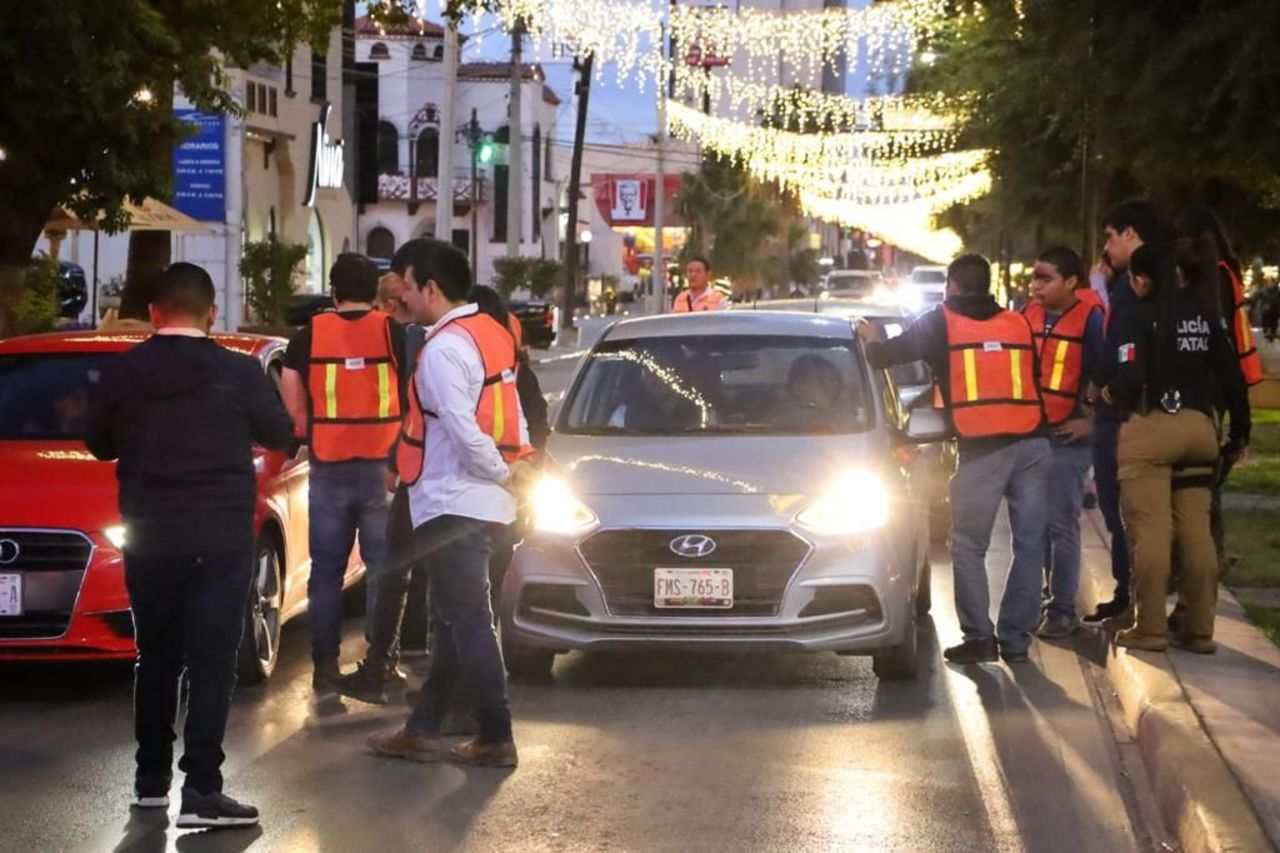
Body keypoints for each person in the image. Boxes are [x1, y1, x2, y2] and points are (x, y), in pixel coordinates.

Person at [84, 263, 294, 829]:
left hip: (151, 535)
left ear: (154, 313)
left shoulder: (126, 371)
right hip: (221, 537)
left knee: (155, 656)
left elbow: (97, 443)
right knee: (212, 661)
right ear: (212, 314)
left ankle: (150, 780)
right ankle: (202, 786)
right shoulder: (240, 372)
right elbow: (281, 433)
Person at [367, 239, 536, 768]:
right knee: (454, 615)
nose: (402, 299)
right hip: (483, 506)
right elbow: (511, 412)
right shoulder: (490, 333)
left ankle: (495, 732)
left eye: (408, 287)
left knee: (468, 621)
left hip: (453, 502)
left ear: (431, 289)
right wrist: (519, 464)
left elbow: (464, 431)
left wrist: (505, 471)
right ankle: (424, 725)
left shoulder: (442, 350)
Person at [859, 253, 1051, 665]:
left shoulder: (939, 320)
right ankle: (1017, 641)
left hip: (984, 447)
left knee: (968, 545)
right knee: (1030, 545)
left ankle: (980, 637)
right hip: (1034, 442)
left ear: (952, 286)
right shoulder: (1017, 321)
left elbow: (882, 357)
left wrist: (869, 335)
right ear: (987, 286)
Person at [1100, 240, 1250, 653]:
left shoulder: (1135, 315)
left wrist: (1109, 395)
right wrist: (1240, 433)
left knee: (1151, 530)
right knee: (1196, 530)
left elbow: (1130, 375)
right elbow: (1232, 376)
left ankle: (1149, 628)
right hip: (1200, 429)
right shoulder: (1204, 317)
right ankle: (1200, 629)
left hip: (1152, 429)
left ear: (1141, 279)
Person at [281, 253, 406, 694]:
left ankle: (325, 668)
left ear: (333, 291)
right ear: (374, 292)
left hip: (329, 468)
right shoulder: (393, 332)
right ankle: (380, 662)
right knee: (383, 569)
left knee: (327, 571)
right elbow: (412, 392)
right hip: (383, 469)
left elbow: (292, 395)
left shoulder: (309, 335)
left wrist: (301, 427)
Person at [334, 269, 430, 704]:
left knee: (400, 570)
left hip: (418, 472)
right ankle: (384, 665)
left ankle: (393, 671)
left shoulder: (415, 340)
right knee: (397, 569)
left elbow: (415, 410)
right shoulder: (422, 339)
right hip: (414, 472)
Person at [1084, 200, 1162, 624]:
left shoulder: (1133, 286)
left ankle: (1129, 594)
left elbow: (1118, 348)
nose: (1107, 248)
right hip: (1157, 410)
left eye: (1110, 237)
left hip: (1126, 410)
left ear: (1130, 233)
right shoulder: (1164, 278)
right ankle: (1128, 591)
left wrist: (1100, 392)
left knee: (1121, 507)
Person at [1176, 206, 1261, 597]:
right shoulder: (1229, 274)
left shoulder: (1212, 279)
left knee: (1201, 485)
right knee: (1207, 481)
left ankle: (1208, 560)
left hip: (1205, 390)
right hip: (1222, 388)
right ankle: (1211, 560)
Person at [1023, 248, 1106, 638]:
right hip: (1032, 435)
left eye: (1046, 279)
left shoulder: (1090, 320)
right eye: (1035, 278)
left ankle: (1061, 611)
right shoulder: (1028, 315)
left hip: (1066, 440)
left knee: (1061, 526)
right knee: (1035, 525)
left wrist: (1088, 420)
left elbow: (1104, 372)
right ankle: (1048, 598)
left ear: (1071, 282)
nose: (1037, 286)